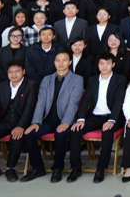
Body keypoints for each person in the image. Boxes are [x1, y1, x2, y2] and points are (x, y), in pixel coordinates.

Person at [20, 51, 83, 183]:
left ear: (70, 62)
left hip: (66, 119)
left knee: (60, 134)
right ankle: (38, 168)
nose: (61, 63)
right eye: (58, 60)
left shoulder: (77, 79)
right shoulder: (46, 79)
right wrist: (36, 122)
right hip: (48, 119)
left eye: (64, 60)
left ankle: (57, 169)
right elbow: (41, 102)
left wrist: (65, 122)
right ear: (54, 63)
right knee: (30, 134)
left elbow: (73, 103)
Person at [67, 52, 127, 183]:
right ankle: (75, 168)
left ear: (113, 65)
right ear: (98, 65)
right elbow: (86, 100)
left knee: (107, 132)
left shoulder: (120, 79)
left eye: (108, 63)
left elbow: (118, 101)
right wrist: (81, 119)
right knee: (75, 131)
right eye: (102, 63)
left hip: (112, 117)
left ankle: (101, 168)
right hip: (95, 116)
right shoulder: (92, 80)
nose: (104, 66)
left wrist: (111, 120)